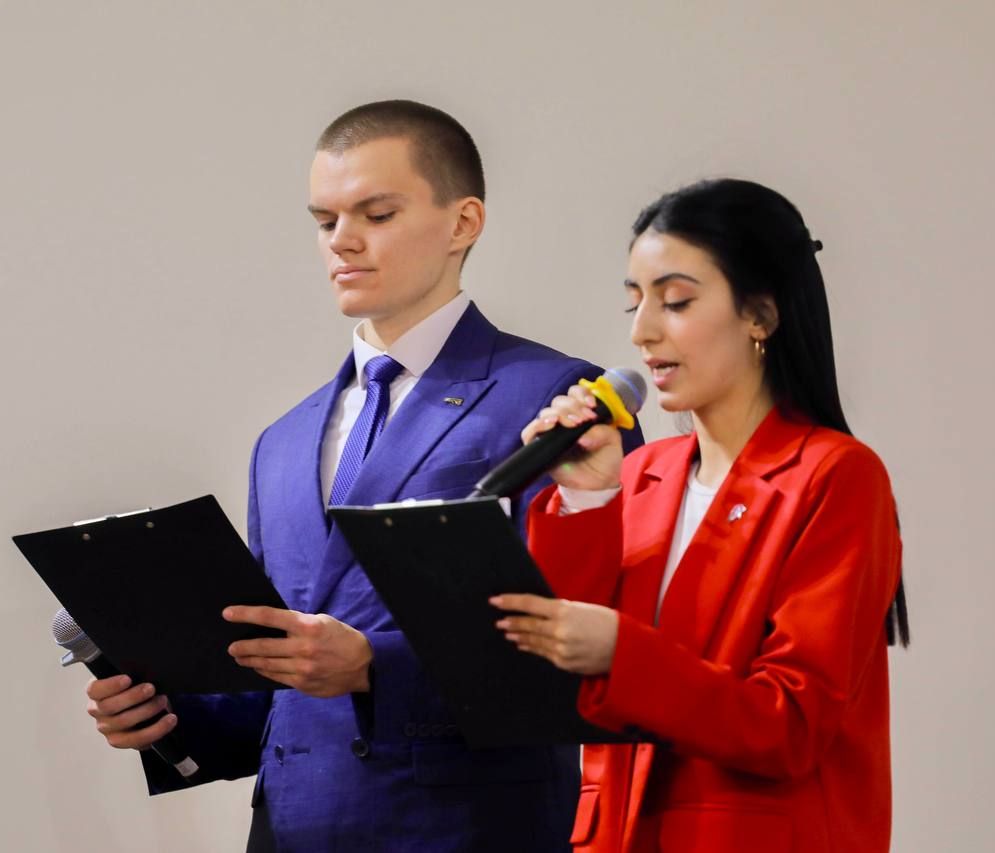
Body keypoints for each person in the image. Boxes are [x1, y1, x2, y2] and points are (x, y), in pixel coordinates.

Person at [81, 100, 643, 852]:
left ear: (463, 221)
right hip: (289, 831)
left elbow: (586, 643)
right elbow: (279, 688)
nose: (343, 240)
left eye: (377, 214)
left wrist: (375, 665)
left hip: (467, 831)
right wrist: (168, 717)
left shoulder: (553, 400)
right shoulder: (281, 442)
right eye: (325, 221)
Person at [492, 178, 909, 852]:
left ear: (760, 315)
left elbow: (790, 724)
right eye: (634, 302)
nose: (642, 331)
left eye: (677, 301)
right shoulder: (641, 474)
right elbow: (557, 689)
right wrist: (587, 498)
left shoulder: (836, 476)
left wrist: (620, 653)